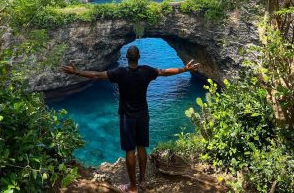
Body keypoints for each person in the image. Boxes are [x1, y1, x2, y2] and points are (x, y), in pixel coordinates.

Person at [61, 45, 199, 193]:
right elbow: (164, 72)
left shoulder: (120, 72)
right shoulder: (146, 71)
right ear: (138, 58)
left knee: (129, 150)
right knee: (141, 147)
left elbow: (97, 75)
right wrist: (185, 69)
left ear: (127, 58)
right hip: (143, 115)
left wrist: (77, 72)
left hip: (127, 117)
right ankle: (143, 181)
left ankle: (133, 187)